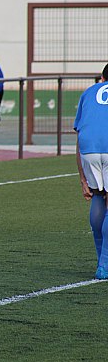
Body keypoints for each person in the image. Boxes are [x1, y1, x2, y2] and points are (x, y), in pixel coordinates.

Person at [74, 63, 108, 280]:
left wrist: (82, 179)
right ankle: (105, 264)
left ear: (102, 78)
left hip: (88, 149)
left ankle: (101, 264)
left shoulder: (88, 92)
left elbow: (79, 136)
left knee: (98, 195)